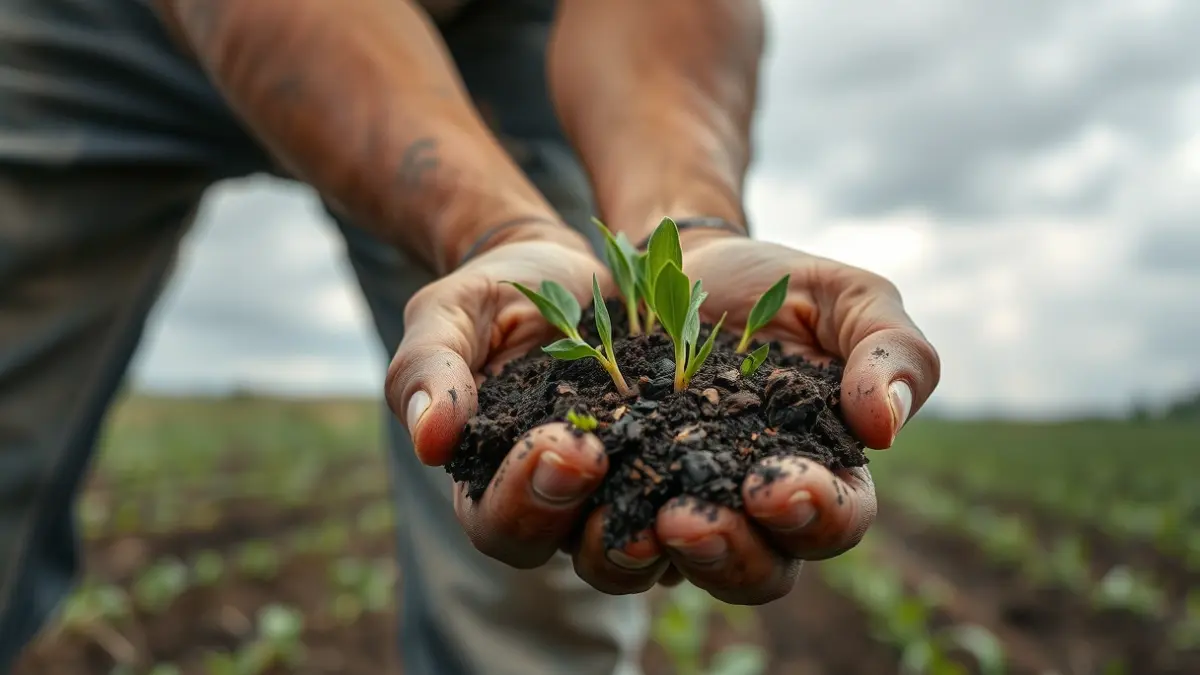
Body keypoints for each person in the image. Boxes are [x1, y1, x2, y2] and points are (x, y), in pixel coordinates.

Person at [0, 0, 941, 673]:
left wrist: (689, 227)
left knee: (542, 576)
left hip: (502, 26)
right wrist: (491, 225)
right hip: (109, 23)